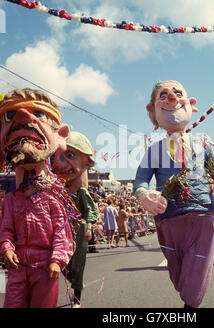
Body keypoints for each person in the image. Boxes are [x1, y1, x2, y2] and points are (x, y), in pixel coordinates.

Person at [134, 80, 214, 308]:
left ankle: (189, 307)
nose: (171, 97)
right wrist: (144, 194)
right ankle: (189, 301)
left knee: (195, 277)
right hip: (167, 220)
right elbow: (140, 180)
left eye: (177, 93)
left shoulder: (204, 143)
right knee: (178, 275)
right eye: (163, 95)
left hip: (202, 217)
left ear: (190, 104)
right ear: (153, 110)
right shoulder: (154, 149)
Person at [0, 88, 74, 308]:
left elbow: (62, 231)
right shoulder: (12, 199)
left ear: (60, 134)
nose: (24, 116)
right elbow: (6, 229)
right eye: (10, 116)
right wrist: (6, 248)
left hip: (45, 267)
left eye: (39, 114)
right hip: (17, 267)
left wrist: (57, 260)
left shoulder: (54, 195)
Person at [52, 131, 99, 308]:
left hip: (78, 231)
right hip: (60, 231)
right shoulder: (56, 193)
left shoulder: (81, 192)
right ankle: (73, 281)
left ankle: (77, 297)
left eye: (70, 155)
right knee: (60, 263)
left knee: (78, 266)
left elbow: (90, 211)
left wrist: (89, 227)